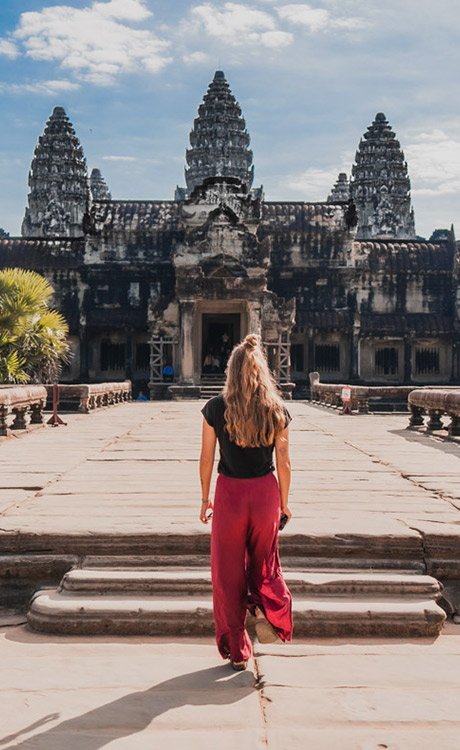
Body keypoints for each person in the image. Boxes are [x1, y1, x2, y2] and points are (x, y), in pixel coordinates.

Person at [199, 333, 293, 672]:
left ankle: (238, 649)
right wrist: (283, 502)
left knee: (226, 572)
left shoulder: (215, 407)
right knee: (264, 563)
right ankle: (266, 611)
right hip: (265, 493)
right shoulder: (276, 408)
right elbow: (283, 460)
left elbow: (206, 457)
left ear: (231, 371)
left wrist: (204, 498)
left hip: (230, 494)